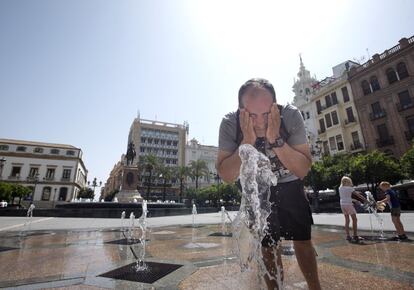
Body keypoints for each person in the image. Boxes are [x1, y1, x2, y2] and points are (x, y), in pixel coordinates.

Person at [216, 78, 321, 290]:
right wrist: (246, 142)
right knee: (268, 245)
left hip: (290, 183)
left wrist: (276, 140)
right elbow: (226, 174)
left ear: (275, 105)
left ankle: (315, 287)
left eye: (266, 114)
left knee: (302, 239)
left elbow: (302, 169)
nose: (261, 123)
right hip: (257, 188)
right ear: (241, 110)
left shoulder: (290, 115)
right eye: (252, 116)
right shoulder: (230, 123)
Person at [338, 176, 368, 242]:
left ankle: (348, 236)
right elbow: (358, 195)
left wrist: (354, 200)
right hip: (348, 205)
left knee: (347, 220)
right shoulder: (350, 188)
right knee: (354, 219)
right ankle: (355, 235)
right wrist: (366, 200)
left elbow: (345, 197)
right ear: (348, 182)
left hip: (342, 205)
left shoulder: (340, 188)